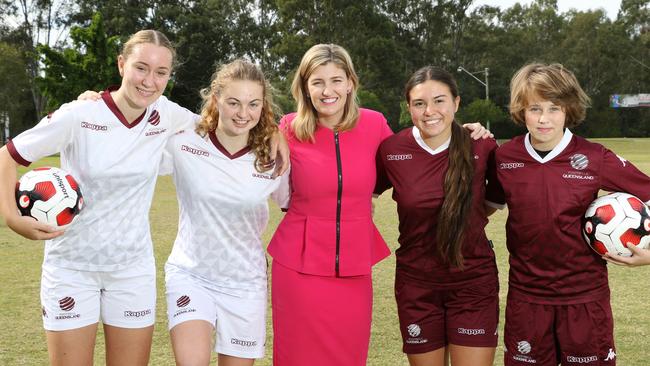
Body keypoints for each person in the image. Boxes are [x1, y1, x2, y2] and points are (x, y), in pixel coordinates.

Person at [0, 30, 287, 366]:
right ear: (122, 64)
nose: (150, 81)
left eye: (161, 72)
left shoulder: (167, 116)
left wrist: (275, 130)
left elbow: (230, 123)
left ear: (168, 77)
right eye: (141, 68)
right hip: (72, 268)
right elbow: (8, 155)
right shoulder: (79, 114)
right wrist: (11, 216)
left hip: (132, 271)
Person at [266, 44, 491, 366]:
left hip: (355, 265)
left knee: (349, 355)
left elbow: (418, 149)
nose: (327, 90)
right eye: (317, 82)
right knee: (297, 356)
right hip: (299, 264)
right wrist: (270, 133)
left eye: (336, 80)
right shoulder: (286, 128)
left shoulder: (374, 125)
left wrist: (466, 132)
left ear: (350, 83)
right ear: (304, 86)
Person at [495, 63, 650, 366]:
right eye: (534, 108)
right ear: (520, 110)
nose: (543, 119)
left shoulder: (594, 157)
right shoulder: (504, 157)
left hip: (584, 299)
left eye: (554, 108)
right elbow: (486, 206)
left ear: (569, 109)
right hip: (526, 300)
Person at [159, 59, 289, 366]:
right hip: (191, 275)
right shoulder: (184, 139)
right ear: (216, 99)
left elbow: (296, 206)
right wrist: (94, 101)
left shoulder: (274, 158)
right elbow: (140, 114)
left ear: (263, 107)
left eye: (253, 104)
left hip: (245, 283)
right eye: (234, 102)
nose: (243, 114)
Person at [374, 66, 504, 366]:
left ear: (456, 103)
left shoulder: (482, 145)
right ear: (409, 108)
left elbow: (492, 203)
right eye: (419, 103)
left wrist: (461, 222)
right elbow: (361, 196)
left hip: (473, 282)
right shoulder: (392, 150)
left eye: (439, 100)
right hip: (416, 284)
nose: (429, 111)